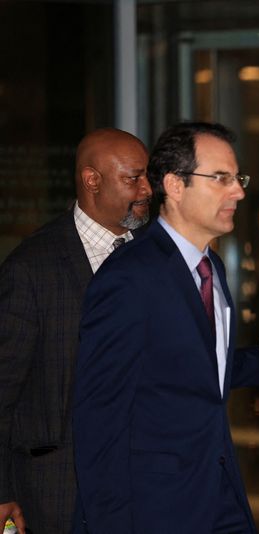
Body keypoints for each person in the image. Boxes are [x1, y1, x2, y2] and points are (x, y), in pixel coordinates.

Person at [71, 122, 259, 533]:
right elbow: (99, 420)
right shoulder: (130, 276)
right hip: (153, 512)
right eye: (221, 178)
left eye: (238, 178)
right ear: (174, 185)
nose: (239, 192)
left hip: (217, 497)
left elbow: (190, 366)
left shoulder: (212, 268)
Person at [0, 128, 151, 534]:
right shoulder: (31, 268)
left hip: (145, 491)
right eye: (133, 178)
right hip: (56, 496)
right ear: (92, 180)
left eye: (147, 176)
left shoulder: (158, 256)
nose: (147, 189)